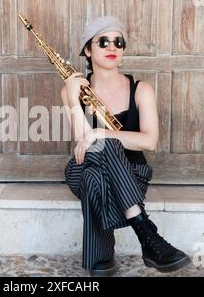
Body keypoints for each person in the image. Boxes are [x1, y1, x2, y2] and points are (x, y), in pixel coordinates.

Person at [61, 16, 191, 277]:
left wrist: (100, 132)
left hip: (131, 174)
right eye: (104, 41)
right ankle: (147, 234)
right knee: (98, 152)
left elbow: (149, 141)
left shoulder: (142, 89)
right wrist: (74, 102)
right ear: (87, 50)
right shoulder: (71, 90)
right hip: (82, 165)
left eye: (118, 42)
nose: (112, 47)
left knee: (96, 170)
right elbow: (82, 145)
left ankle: (101, 257)